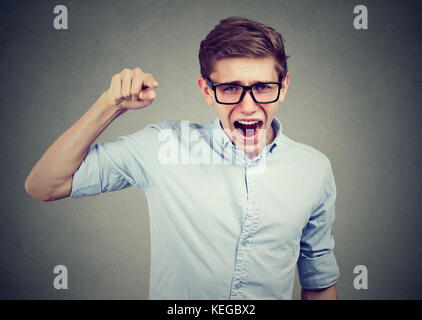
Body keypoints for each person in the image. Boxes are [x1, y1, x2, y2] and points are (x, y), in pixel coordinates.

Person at [25, 16, 339, 300]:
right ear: (206, 90)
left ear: (283, 87)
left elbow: (319, 285)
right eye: (230, 88)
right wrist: (111, 104)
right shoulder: (162, 146)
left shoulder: (313, 169)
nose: (248, 106)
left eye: (263, 87)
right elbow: (45, 185)